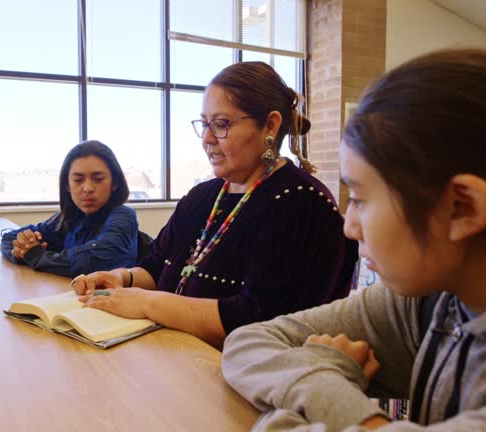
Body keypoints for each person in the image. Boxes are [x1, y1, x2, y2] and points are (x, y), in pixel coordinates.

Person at [222, 49, 486, 431]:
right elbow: (249, 343)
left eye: (359, 198)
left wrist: (327, 371)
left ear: (463, 208)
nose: (349, 226)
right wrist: (357, 410)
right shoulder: (429, 303)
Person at [73, 62, 358, 348]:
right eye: (205, 124)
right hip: (176, 361)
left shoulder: (302, 205)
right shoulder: (203, 196)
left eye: (221, 125)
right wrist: (121, 279)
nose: (207, 139)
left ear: (270, 125)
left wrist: (149, 303)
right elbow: (157, 266)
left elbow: (260, 320)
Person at [0, 140, 140, 277]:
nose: (88, 188)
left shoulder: (123, 216)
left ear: (114, 183)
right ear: (67, 185)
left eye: (98, 179)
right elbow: (9, 238)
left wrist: (35, 255)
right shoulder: (69, 217)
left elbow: (93, 261)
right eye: (78, 180)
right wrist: (20, 252)